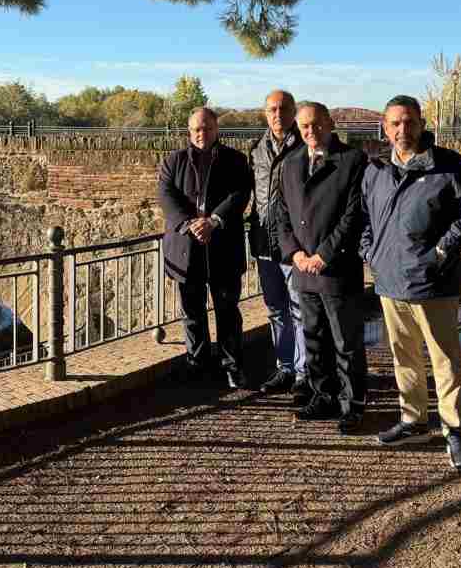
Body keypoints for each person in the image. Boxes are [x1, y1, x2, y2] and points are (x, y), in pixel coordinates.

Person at [361, 95, 461, 470]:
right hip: (389, 280)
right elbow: (365, 217)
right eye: (395, 123)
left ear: (421, 123)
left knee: (445, 359)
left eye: (409, 122)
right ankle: (414, 420)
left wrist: (442, 252)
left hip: (433, 281)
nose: (402, 130)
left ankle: (456, 431)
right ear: (384, 127)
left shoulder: (449, 166)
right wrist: (370, 252)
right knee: (404, 357)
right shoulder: (376, 169)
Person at [275, 102, 369, 433]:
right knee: (313, 338)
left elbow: (354, 214)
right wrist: (294, 254)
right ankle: (323, 395)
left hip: (336, 266)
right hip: (303, 267)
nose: (311, 132)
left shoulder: (353, 160)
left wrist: (324, 255)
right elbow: (281, 215)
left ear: (330, 123)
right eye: (304, 128)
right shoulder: (290, 163)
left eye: (316, 125)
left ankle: (352, 404)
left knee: (345, 342)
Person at [158, 107, 254, 389]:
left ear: (216, 129)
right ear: (190, 132)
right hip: (187, 249)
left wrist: (213, 221)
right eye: (197, 129)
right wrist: (190, 224)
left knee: (227, 311)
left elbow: (240, 193)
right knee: (192, 312)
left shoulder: (235, 160)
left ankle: (232, 365)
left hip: (222, 245)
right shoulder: (173, 161)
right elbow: (166, 196)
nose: (202, 134)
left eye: (207, 128)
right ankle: (197, 363)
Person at [248, 90, 308, 399]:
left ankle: (303, 372)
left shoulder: (304, 146)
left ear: (294, 111)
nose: (277, 113)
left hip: (294, 242)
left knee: (299, 306)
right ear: (264, 113)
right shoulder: (257, 149)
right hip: (263, 241)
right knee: (275, 309)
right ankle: (284, 366)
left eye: (284, 108)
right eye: (272, 108)